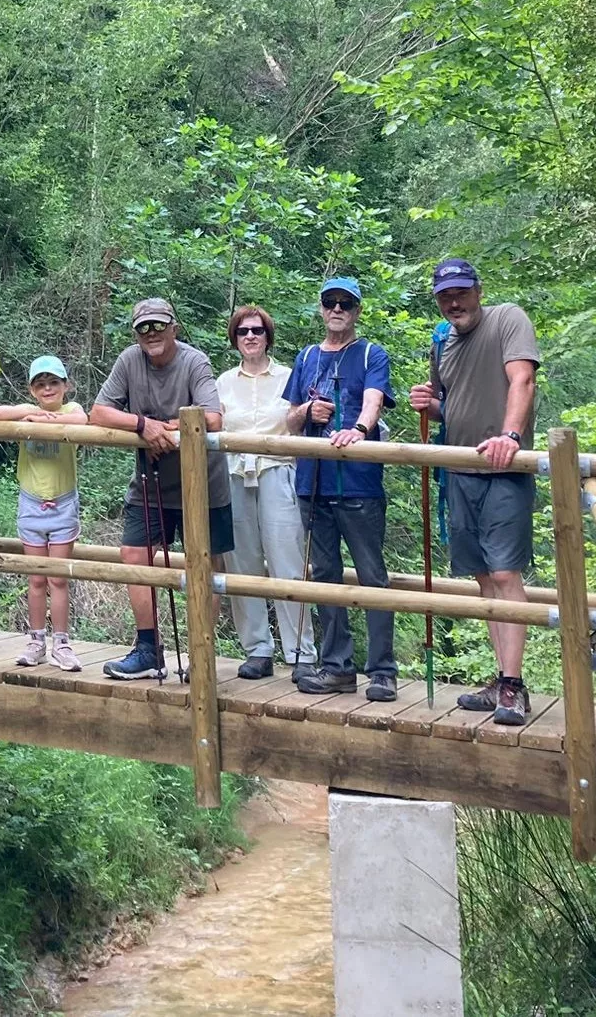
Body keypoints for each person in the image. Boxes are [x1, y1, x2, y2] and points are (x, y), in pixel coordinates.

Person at [408, 258, 542, 727]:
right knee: (484, 577)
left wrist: (510, 436)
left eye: (461, 292)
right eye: (445, 296)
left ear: (478, 291)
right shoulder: (442, 342)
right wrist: (431, 405)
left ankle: (513, 685)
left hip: (504, 467)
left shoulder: (508, 319)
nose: (454, 302)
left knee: (505, 573)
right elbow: (453, 406)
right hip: (459, 470)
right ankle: (503, 679)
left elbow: (522, 379)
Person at [88, 298, 234, 680]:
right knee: (134, 554)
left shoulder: (194, 361)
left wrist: (163, 430)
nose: (151, 334)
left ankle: (201, 652)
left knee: (206, 563)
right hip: (150, 482)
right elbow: (98, 412)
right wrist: (142, 426)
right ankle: (148, 649)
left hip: (202, 483)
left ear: (173, 328)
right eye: (143, 328)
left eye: (158, 326)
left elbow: (212, 418)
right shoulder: (129, 361)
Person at [284, 276, 399, 700]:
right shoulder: (306, 356)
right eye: (330, 302)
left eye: (345, 304)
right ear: (321, 308)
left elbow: (373, 400)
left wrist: (359, 430)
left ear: (356, 311)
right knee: (324, 574)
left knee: (372, 575)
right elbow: (289, 421)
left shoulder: (370, 353)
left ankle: (382, 671)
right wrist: (307, 411)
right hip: (312, 482)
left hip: (358, 483)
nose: (337, 309)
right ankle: (337, 667)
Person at [215, 305, 314, 680]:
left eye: (257, 330)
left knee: (288, 562)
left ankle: (301, 653)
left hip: (278, 471)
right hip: (235, 475)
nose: (251, 337)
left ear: (268, 336)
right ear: (235, 339)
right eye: (243, 332)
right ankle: (257, 649)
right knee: (243, 564)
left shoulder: (289, 377)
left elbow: (300, 423)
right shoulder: (223, 382)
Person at [0, 355, 85, 672]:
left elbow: (83, 420)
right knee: (36, 578)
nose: (47, 389)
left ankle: (62, 643)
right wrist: (31, 414)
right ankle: (36, 641)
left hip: (63, 504)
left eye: (54, 382)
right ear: (32, 389)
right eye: (40, 384)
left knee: (58, 578)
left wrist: (47, 421)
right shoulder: (26, 413)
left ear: (65, 386)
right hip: (31, 504)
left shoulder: (71, 410)